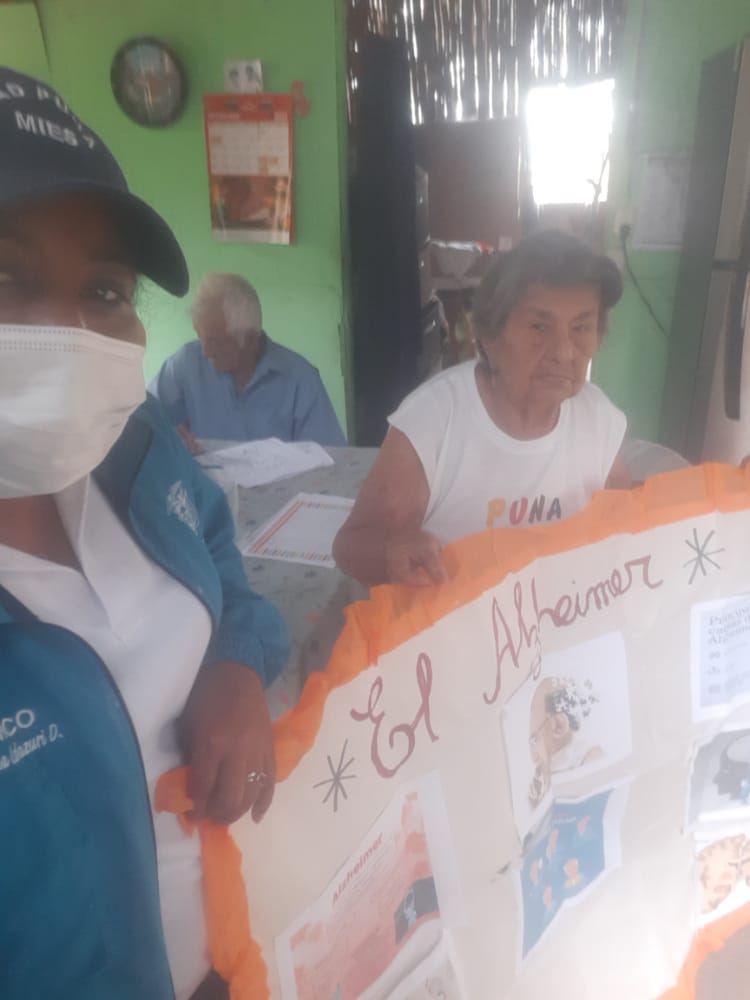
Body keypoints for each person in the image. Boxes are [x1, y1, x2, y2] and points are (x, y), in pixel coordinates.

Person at [0, 68, 289, 1000]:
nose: (63, 335)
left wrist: (236, 662)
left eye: (105, 290)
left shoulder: (131, 439)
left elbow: (218, 556)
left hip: (235, 946)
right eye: (4, 277)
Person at [333, 229, 630, 586]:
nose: (565, 352)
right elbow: (350, 545)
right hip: (453, 613)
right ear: (490, 337)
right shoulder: (437, 417)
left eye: (582, 327)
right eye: (539, 326)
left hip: (559, 611)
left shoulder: (597, 417)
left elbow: (627, 518)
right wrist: (390, 552)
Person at [149, 272, 346, 451]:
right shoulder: (186, 365)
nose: (206, 352)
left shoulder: (300, 380)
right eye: (201, 337)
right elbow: (142, 419)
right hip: (204, 478)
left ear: (250, 339)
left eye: (216, 342)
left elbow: (329, 457)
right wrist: (166, 434)